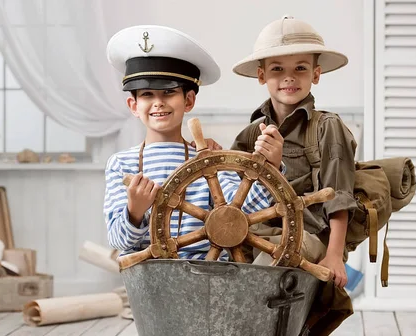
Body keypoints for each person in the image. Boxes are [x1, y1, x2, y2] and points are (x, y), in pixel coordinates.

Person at [104, 25, 284, 260]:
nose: (158, 103)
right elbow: (118, 241)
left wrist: (272, 166)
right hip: (149, 282)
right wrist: (135, 212)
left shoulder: (209, 159)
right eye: (147, 94)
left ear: (188, 100)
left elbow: (244, 214)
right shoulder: (121, 164)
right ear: (134, 106)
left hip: (206, 277)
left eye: (168, 92)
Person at [230, 15, 358, 289]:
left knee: (264, 264)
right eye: (277, 69)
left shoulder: (327, 127)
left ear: (315, 74)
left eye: (300, 68)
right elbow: (230, 190)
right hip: (258, 230)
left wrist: (335, 255)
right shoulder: (253, 131)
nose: (289, 77)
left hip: (308, 235)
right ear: (262, 75)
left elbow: (339, 195)